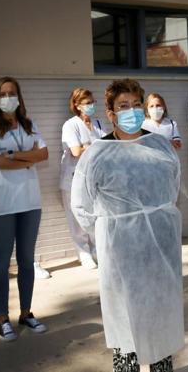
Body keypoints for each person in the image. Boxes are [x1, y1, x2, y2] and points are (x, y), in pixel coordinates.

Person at [71, 78, 183, 372]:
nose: (131, 111)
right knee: (124, 323)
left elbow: (172, 189)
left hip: (161, 246)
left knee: (159, 318)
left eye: (136, 105)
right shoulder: (97, 153)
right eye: (123, 106)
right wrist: (112, 233)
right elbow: (81, 205)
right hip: (120, 250)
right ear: (110, 113)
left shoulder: (160, 145)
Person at [0, 76, 50, 342]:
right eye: (3, 93)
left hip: (29, 203)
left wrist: (12, 156)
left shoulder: (29, 125)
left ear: (19, 96)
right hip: (2, 205)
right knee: (1, 263)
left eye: (12, 92)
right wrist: (25, 158)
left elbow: (44, 154)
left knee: (27, 261)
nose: (8, 97)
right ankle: (3, 318)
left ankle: (26, 313)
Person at [60, 88, 105, 269]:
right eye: (87, 103)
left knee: (94, 214)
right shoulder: (70, 125)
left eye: (92, 102)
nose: (91, 106)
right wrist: (96, 145)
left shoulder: (98, 124)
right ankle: (83, 253)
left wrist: (90, 145)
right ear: (77, 106)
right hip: (73, 178)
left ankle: (96, 249)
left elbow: (108, 145)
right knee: (76, 217)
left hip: (93, 178)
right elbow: (76, 151)